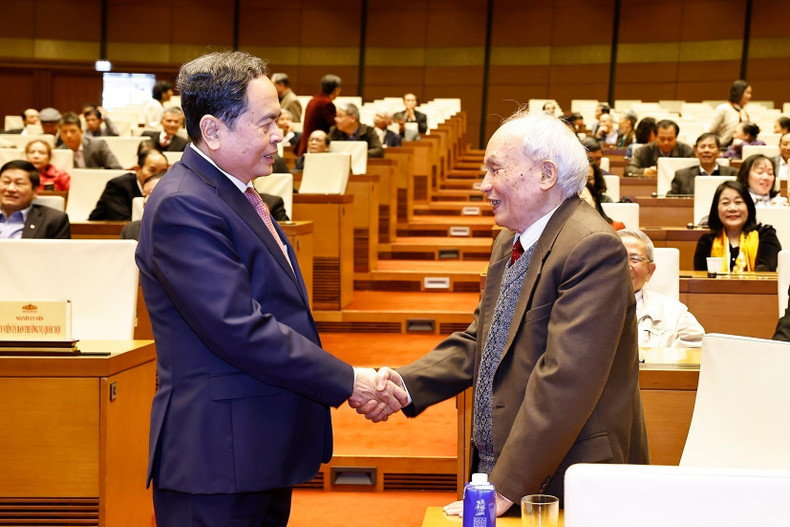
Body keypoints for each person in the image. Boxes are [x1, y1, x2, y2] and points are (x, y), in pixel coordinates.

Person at [135, 51, 406, 527]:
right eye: (266, 123)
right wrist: (350, 381)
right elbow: (239, 326)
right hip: (217, 458)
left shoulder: (232, 191)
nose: (281, 135)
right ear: (214, 131)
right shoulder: (185, 205)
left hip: (254, 450)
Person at [364, 111, 649, 511]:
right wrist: (405, 384)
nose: (484, 186)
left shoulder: (591, 246)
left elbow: (566, 380)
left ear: (546, 174)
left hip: (564, 477)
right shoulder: (509, 240)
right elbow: (481, 341)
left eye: (495, 169)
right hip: (511, 468)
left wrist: (502, 488)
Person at [617, 230, 704, 348]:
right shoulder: (586, 306)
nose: (626, 266)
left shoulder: (674, 311)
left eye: (635, 259)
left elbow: (697, 345)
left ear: (649, 270)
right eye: (617, 258)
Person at [693, 180, 780, 272]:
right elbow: (701, 279)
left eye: (738, 202)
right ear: (716, 209)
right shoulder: (707, 241)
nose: (732, 208)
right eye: (725, 203)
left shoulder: (766, 236)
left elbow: (765, 273)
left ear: (749, 206)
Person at [88, 149, 169, 221]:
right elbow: (123, 220)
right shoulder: (117, 186)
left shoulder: (168, 189)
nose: (158, 176)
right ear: (138, 169)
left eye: (163, 171)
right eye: (152, 170)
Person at [0, 160, 70, 239]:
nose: (11, 189)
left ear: (35, 191)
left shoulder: (54, 220)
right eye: (6, 182)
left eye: (19, 183)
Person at [669, 133, 737, 195]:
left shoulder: (732, 174)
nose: (706, 150)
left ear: (719, 151)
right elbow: (671, 200)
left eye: (711, 147)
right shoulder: (682, 176)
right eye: (702, 147)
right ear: (695, 151)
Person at [625, 120, 693, 177]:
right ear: (656, 137)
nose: (666, 142)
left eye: (670, 139)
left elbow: (693, 172)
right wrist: (645, 171)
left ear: (676, 137)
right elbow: (629, 170)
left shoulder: (686, 151)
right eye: (662, 139)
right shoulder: (643, 150)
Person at [57, 112, 122, 169]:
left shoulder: (98, 145)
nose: (68, 135)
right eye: (64, 132)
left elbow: (116, 168)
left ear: (81, 132)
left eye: (73, 131)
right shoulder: (60, 152)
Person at [297, 74, 341, 155]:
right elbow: (334, 127)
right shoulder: (327, 103)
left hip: (307, 143)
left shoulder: (314, 99)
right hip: (316, 146)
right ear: (336, 90)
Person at [706, 80, 751, 145]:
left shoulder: (744, 111)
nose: (749, 96)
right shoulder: (723, 108)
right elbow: (709, 130)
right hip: (722, 147)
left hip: (740, 147)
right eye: (747, 93)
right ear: (739, 92)